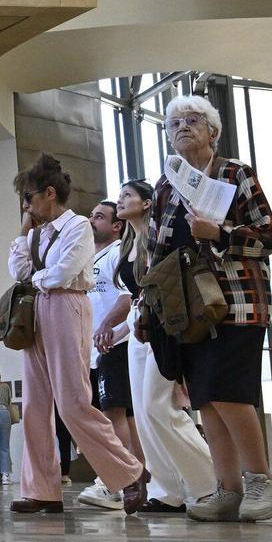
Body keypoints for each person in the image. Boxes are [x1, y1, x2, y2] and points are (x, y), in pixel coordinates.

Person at [142, 94, 272, 523]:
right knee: (205, 399)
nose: (182, 127)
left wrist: (219, 233)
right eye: (173, 123)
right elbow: (154, 256)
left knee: (230, 393)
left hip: (238, 302)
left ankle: (260, 481)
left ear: (212, 132)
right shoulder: (166, 186)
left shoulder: (234, 172)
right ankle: (228, 491)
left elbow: (270, 236)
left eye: (192, 120)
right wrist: (148, 313)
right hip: (186, 310)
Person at [5, 155, 146, 515]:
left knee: (73, 401)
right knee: (35, 405)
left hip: (68, 306)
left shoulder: (78, 226)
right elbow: (18, 269)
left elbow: (63, 273)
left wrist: (37, 277)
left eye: (29, 197)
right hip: (36, 310)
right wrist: (25, 235)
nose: (26, 205)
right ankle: (43, 489)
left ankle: (128, 473)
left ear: (49, 193)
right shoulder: (36, 233)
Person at [104, 179, 215, 513]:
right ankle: (167, 490)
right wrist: (119, 330)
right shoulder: (126, 246)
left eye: (127, 195)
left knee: (158, 406)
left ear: (148, 203)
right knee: (143, 410)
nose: (120, 200)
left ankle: (210, 482)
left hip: (163, 324)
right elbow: (134, 297)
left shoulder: (158, 240)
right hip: (140, 325)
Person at [78, 198, 137, 507]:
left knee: (114, 413)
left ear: (116, 225)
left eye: (98, 216)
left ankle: (116, 483)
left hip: (116, 343)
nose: (91, 220)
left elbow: (127, 299)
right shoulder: (90, 258)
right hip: (96, 349)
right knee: (124, 414)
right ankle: (137, 482)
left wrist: (107, 327)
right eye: (91, 214)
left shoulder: (118, 254)